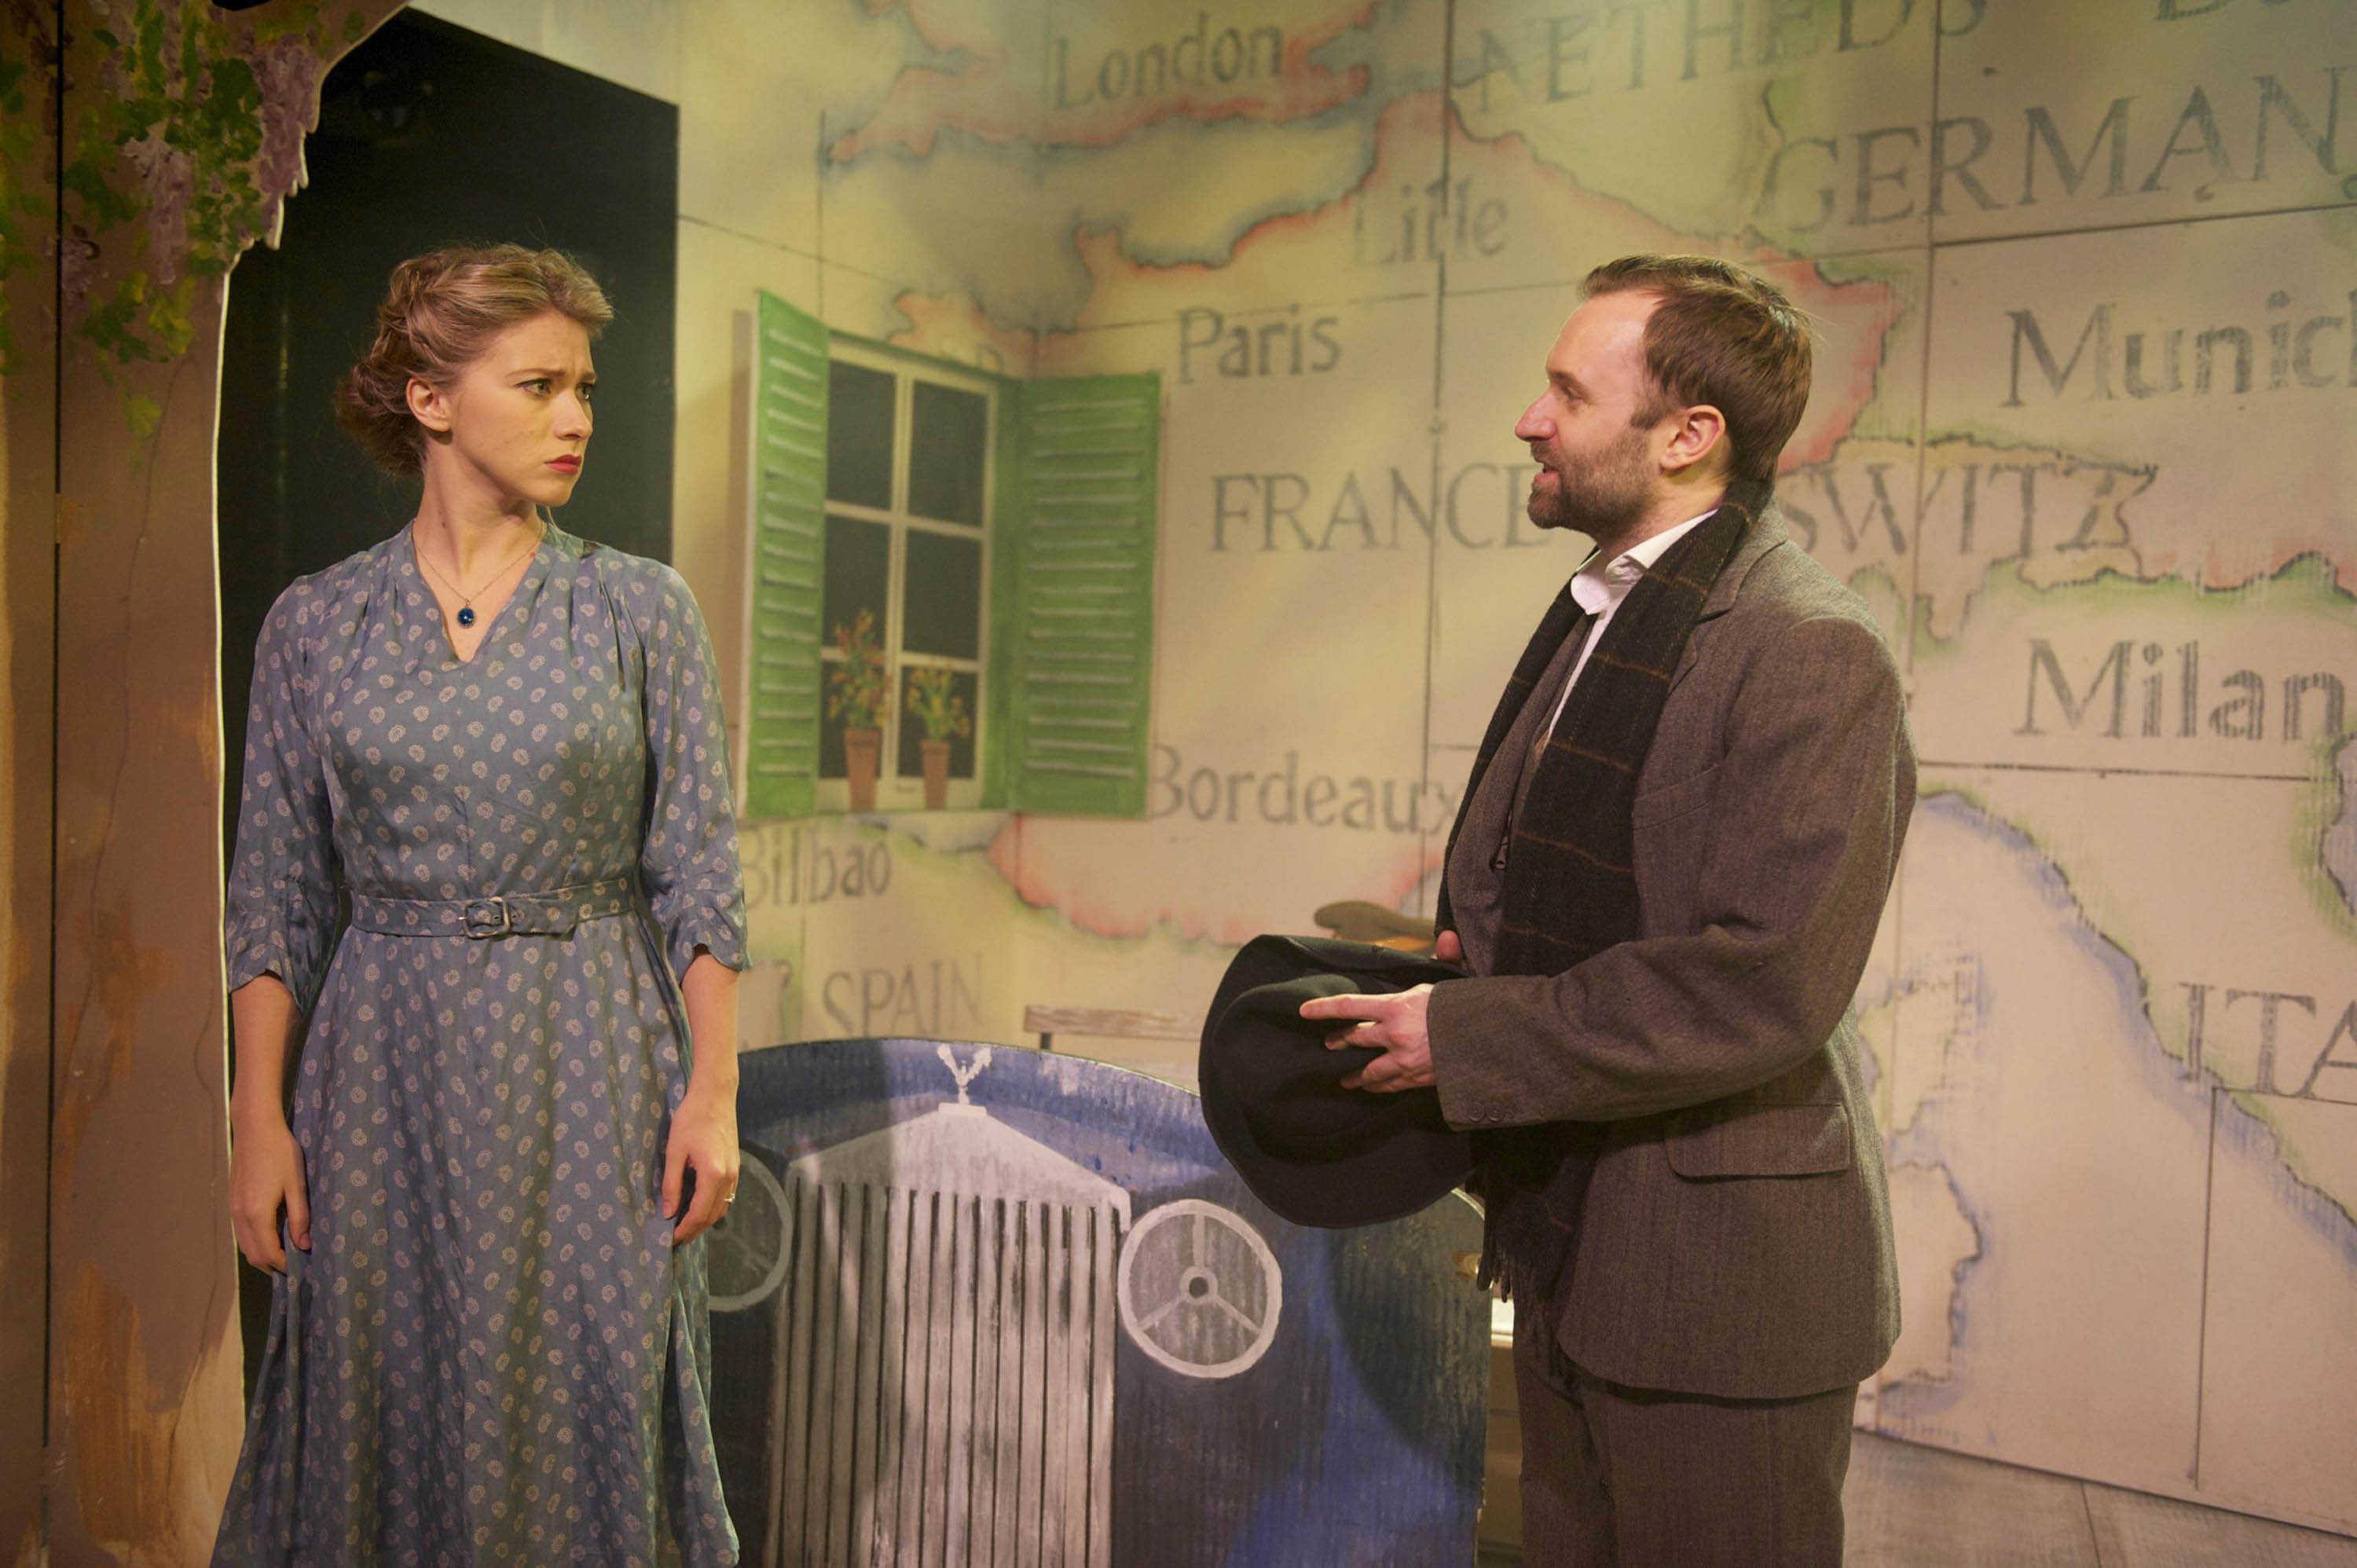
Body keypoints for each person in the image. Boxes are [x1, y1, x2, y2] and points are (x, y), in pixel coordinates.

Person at [1300, 255, 1912, 1566]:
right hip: (1572, 1244)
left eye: (1570, 394)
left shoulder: (1808, 647)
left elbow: (1763, 980)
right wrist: (1466, 961)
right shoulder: (1606, 614)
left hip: (1718, 1288)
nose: (1532, 420)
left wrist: (1464, 1039)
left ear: (1689, 437)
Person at [214, 244, 746, 1566]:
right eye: (540, 385)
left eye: (585, 388)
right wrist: (257, 1120)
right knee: (382, 1380)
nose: (577, 418)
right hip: (381, 1071)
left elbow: (697, 871)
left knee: (591, 1371)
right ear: (431, 399)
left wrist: (713, 1090)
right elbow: (276, 893)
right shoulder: (317, 624)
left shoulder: (636, 608)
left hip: (591, 1056)